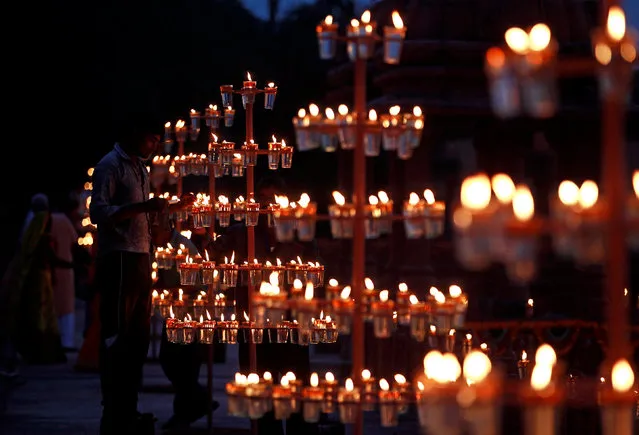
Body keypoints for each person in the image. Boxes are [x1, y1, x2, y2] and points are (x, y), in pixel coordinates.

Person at [90, 114, 195, 435]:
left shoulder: (140, 167)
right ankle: (114, 408)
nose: (154, 144)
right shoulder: (111, 165)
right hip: (119, 259)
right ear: (135, 134)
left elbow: (146, 215)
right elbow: (99, 212)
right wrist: (144, 208)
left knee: (136, 339)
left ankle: (129, 406)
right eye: (151, 138)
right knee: (118, 336)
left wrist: (174, 208)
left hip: (140, 259)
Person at [209, 176, 320, 435]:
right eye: (262, 200)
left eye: (272, 200)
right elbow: (210, 257)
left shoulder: (298, 232)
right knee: (259, 392)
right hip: (253, 327)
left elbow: (316, 271)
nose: (267, 207)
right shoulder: (241, 232)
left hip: (291, 326)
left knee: (295, 393)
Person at [157, 226, 220, 431]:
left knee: (182, 362)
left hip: (191, 313)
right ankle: (195, 405)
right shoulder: (165, 246)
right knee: (173, 361)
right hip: (176, 312)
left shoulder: (183, 246)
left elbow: (201, 283)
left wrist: (170, 291)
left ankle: (190, 408)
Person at [0, 194, 67, 367]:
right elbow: (36, 250)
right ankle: (39, 353)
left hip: (33, 276)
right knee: (41, 318)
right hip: (37, 278)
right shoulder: (41, 221)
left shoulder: (35, 222)